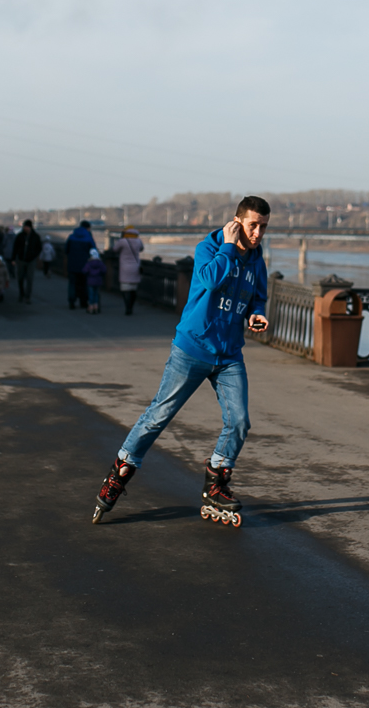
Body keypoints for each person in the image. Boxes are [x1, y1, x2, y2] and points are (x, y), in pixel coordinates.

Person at [93, 196, 271, 527]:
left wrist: (257, 313)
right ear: (236, 222)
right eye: (252, 226)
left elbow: (258, 295)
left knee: (240, 420)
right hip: (192, 348)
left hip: (229, 354)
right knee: (158, 415)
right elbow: (210, 281)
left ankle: (215, 483)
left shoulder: (257, 261)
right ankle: (120, 472)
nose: (258, 233)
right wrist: (230, 247)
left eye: (263, 227)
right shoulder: (211, 248)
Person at [64, 221, 96, 309]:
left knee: (72, 284)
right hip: (85, 265)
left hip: (72, 265)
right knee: (84, 284)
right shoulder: (88, 238)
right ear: (88, 228)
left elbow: (66, 250)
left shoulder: (71, 237)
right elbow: (94, 251)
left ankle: (72, 301)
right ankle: (84, 301)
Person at [113, 227, 144, 315]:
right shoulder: (138, 241)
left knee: (125, 289)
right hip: (135, 267)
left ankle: (127, 307)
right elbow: (141, 249)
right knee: (133, 289)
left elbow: (115, 249)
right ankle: (131, 306)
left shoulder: (123, 241)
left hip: (124, 268)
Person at [12, 220, 43, 304]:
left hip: (31, 260)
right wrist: (13, 258)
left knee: (30, 279)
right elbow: (15, 247)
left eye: (26, 227)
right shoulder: (20, 236)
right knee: (20, 278)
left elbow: (39, 248)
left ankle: (27, 296)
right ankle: (21, 293)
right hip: (21, 260)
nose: (25, 228)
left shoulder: (35, 236)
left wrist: (34, 255)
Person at [83, 248, 107, 314]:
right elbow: (104, 270)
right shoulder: (101, 263)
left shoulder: (89, 263)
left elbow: (84, 271)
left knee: (91, 294)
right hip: (98, 281)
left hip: (90, 281)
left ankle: (91, 306)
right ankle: (96, 306)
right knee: (96, 294)